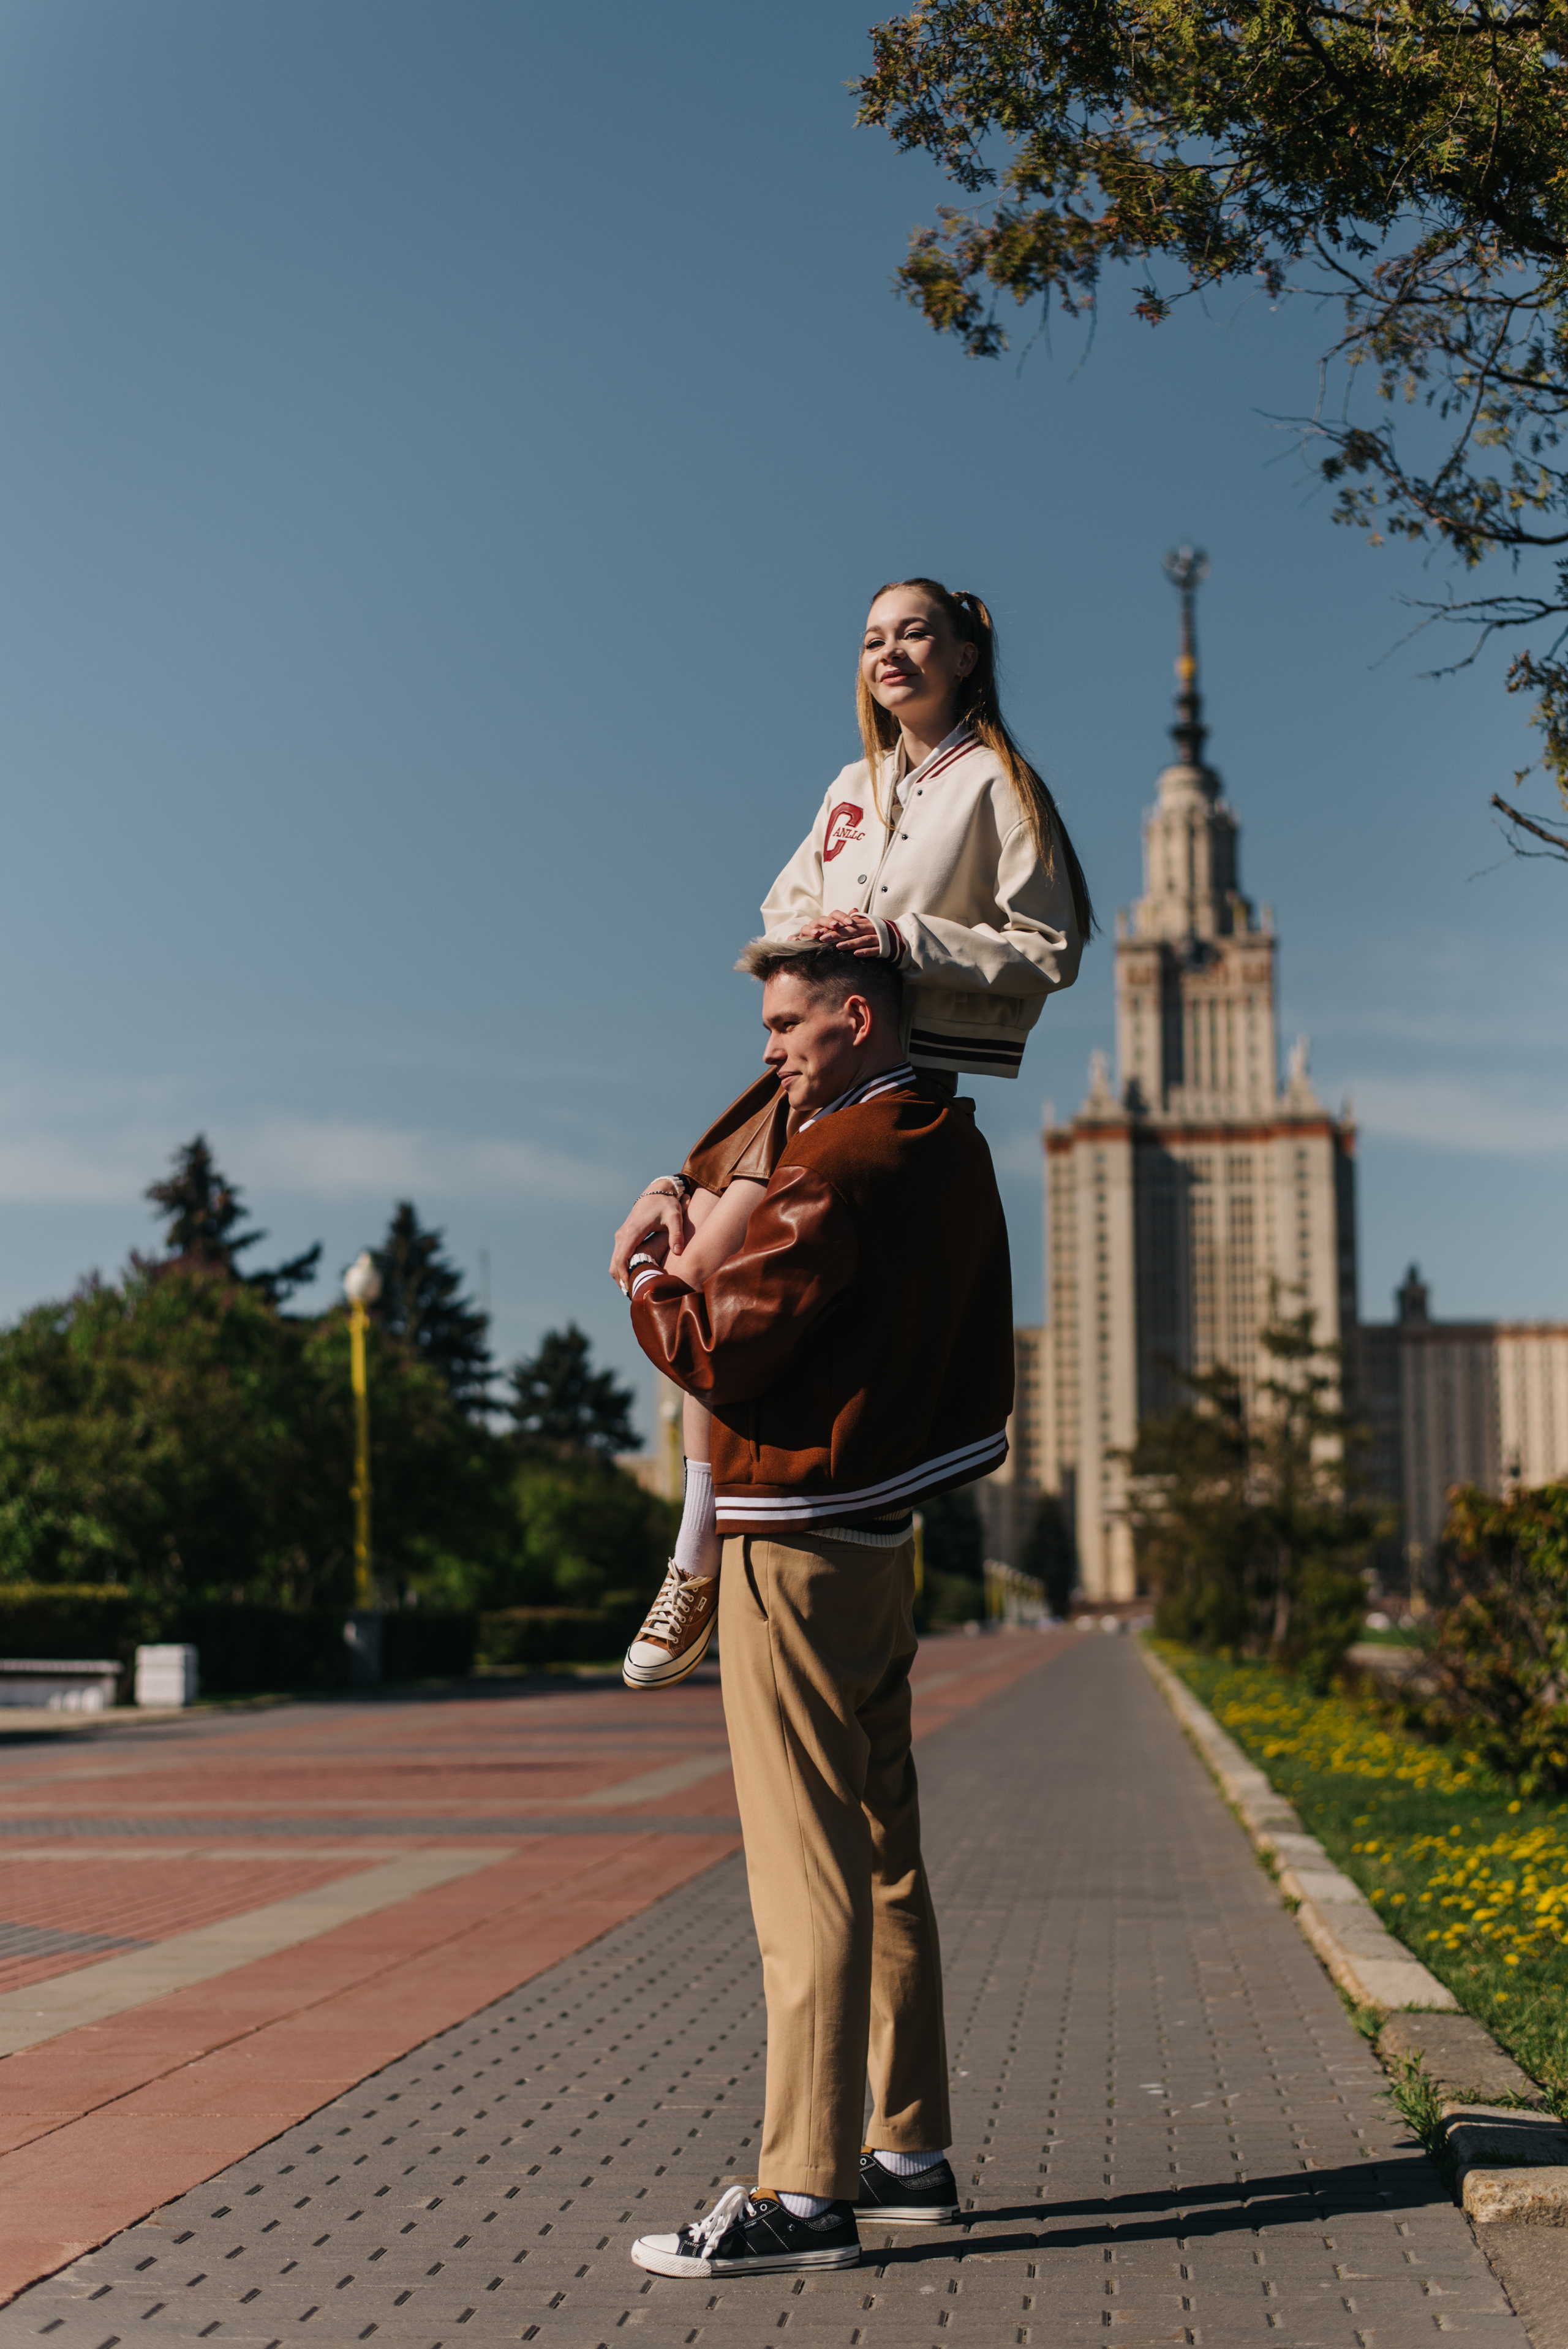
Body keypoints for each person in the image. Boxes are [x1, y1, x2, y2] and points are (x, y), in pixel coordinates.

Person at [611, 578, 1093, 1690]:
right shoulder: (852, 784)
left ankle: (708, 1549)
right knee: (697, 1270)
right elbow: (782, 907)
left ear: (967, 655)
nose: (891, 652)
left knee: (755, 1283)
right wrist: (817, 945)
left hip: (896, 1070)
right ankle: (693, 1550)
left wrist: (901, 939)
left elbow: (1052, 945)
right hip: (814, 1057)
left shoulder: (1000, 785)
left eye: (917, 632)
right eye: (874, 637)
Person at [620, 940, 1012, 2277]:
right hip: (879, 1536)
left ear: (856, 1018)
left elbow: (711, 1346)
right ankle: (907, 2152)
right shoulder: (944, 1139)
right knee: (883, 1849)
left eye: (788, 1026)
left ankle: (802, 2193)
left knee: (805, 1875)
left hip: (787, 1541)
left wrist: (648, 1269)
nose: (769, 1051)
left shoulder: (833, 1169)